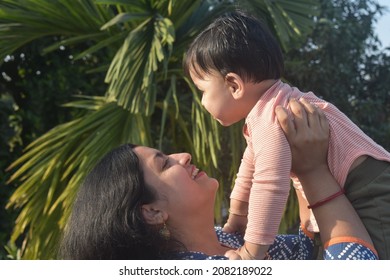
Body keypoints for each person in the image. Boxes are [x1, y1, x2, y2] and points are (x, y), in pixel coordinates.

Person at [183, 9, 390, 260]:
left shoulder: (272, 116)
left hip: (372, 191)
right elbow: (250, 165)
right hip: (364, 185)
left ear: (234, 85)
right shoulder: (270, 108)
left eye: (202, 90)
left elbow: (269, 184)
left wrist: (253, 250)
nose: (202, 102)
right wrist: (237, 214)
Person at [58, 99, 377, 260]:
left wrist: (294, 166)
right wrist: (314, 172)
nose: (183, 156)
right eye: (164, 163)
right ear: (152, 211)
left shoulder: (226, 240)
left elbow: (305, 249)